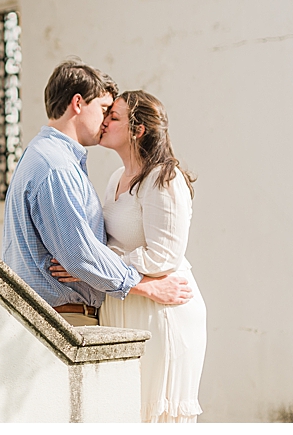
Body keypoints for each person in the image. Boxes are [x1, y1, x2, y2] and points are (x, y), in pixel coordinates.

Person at [1, 60, 191, 329]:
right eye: (104, 110)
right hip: (63, 319)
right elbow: (80, 256)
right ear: (78, 104)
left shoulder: (45, 156)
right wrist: (146, 287)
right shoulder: (57, 167)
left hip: (62, 316)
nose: (105, 121)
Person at [54, 91, 207, 422]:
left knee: (155, 414)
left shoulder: (164, 179)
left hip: (161, 313)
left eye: (115, 117)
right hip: (123, 302)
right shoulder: (114, 180)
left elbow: (163, 256)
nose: (105, 121)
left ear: (138, 131)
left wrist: (93, 267)